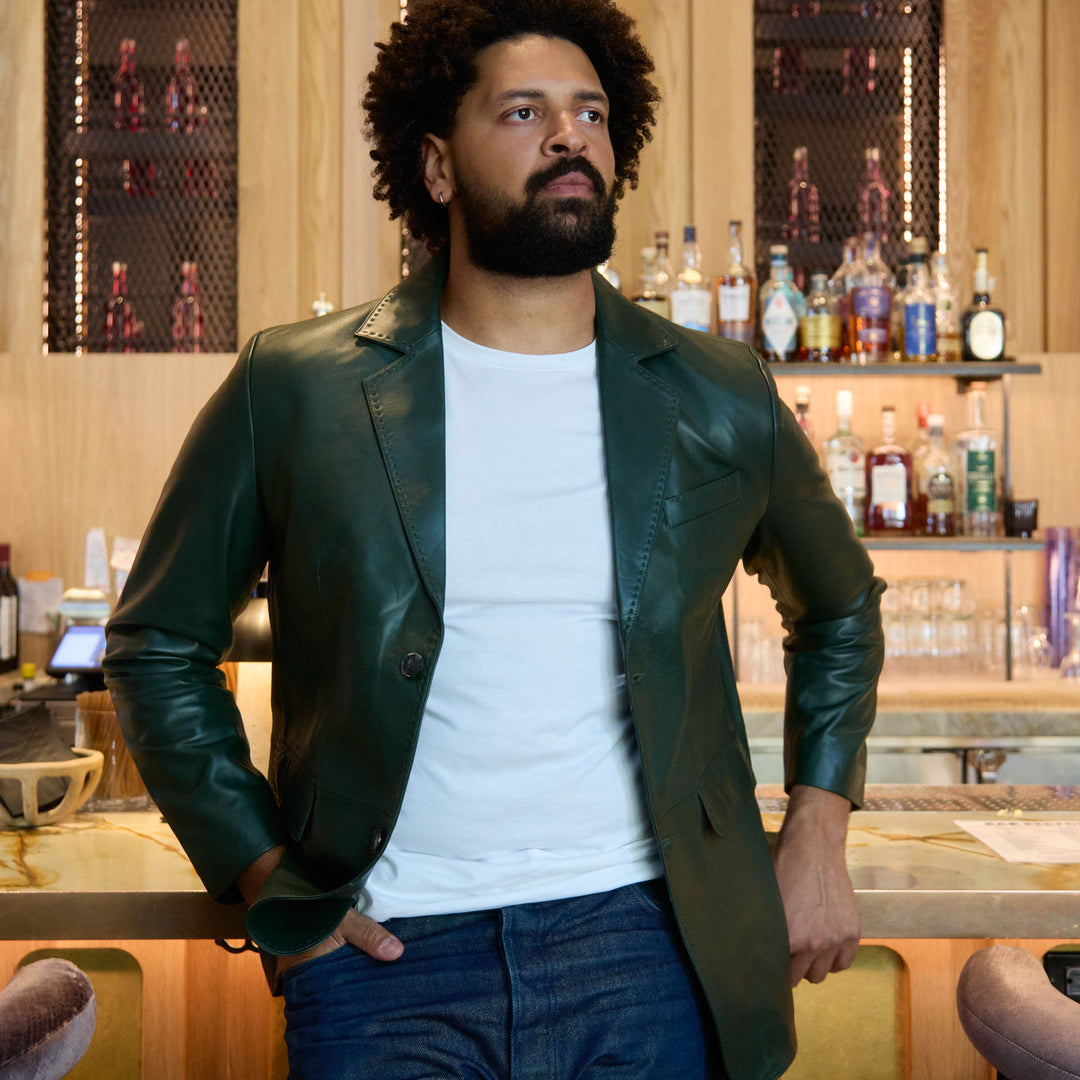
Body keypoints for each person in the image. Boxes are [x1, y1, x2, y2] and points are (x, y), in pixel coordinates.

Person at [104, 0, 884, 1076]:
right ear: (435, 166)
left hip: (651, 949)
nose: (570, 137)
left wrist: (818, 826)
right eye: (524, 112)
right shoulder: (296, 387)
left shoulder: (718, 396)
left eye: (592, 114)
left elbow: (839, 605)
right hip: (386, 963)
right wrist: (265, 879)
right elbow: (158, 644)